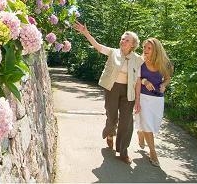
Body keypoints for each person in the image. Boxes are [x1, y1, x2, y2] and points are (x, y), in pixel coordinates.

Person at [73, 21, 143, 164]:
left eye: (127, 39)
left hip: (128, 92)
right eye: (122, 38)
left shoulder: (138, 60)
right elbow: (98, 47)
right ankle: (110, 133)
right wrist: (85, 32)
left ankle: (123, 152)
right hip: (112, 88)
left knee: (126, 122)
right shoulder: (113, 52)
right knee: (112, 118)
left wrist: (137, 100)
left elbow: (138, 81)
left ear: (133, 44)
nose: (123, 41)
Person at [134, 38, 173, 167]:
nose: (145, 50)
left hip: (157, 99)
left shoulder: (165, 63)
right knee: (148, 124)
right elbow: (137, 80)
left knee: (153, 123)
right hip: (144, 97)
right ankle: (153, 153)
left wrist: (164, 85)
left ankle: (140, 132)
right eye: (144, 47)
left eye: (149, 48)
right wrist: (144, 82)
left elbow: (167, 78)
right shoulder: (140, 62)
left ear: (156, 49)